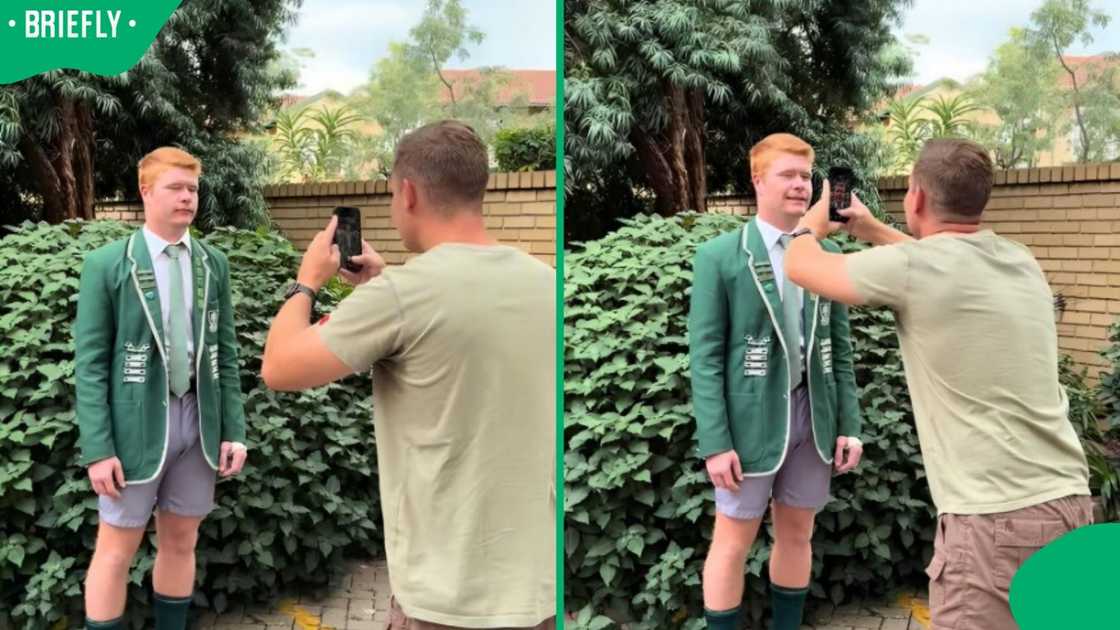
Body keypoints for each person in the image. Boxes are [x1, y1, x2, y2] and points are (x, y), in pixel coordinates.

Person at [784, 137, 1092, 630]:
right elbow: (941, 262)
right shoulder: (1019, 261)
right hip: (1070, 507)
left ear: (917, 197)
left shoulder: (915, 269)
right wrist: (870, 228)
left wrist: (811, 226)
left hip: (994, 522)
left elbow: (802, 266)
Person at [260, 120, 556, 629]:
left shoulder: (402, 296)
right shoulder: (547, 281)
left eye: (393, 193)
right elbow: (446, 332)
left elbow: (279, 368)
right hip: (537, 589)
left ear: (410, 193)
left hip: (445, 598)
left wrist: (306, 283)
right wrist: (380, 283)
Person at [689, 133, 864, 630]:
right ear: (757, 179)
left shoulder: (824, 254)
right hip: (749, 424)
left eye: (806, 176)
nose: (799, 185)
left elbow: (840, 349)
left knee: (797, 535)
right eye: (787, 174)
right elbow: (704, 358)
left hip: (814, 416)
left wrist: (849, 424)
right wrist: (715, 443)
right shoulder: (720, 256)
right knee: (731, 542)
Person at [75, 147, 249, 630]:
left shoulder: (214, 263)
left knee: (181, 542)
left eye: (193, 189)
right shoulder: (107, 264)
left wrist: (233, 430)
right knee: (115, 550)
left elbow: (226, 353)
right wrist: (97, 448)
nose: (187, 197)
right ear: (145, 191)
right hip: (134, 426)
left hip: (198, 419)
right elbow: (89, 365)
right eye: (176, 187)